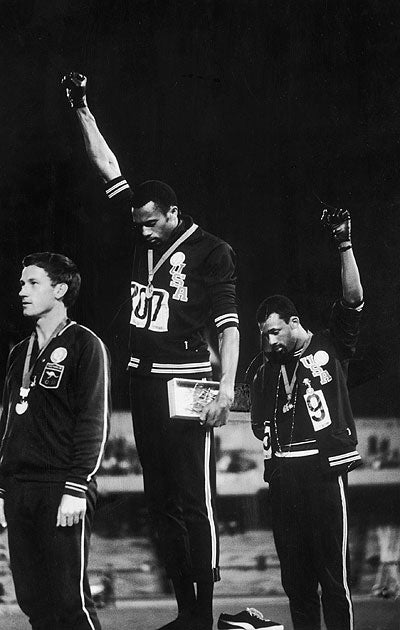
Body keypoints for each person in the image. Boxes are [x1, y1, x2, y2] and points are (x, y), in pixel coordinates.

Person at [62, 73, 240, 630]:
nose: (140, 232)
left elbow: (229, 327)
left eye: (149, 224)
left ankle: (205, 616)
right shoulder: (139, 221)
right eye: (135, 223)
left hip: (191, 381)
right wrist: (82, 107)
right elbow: (107, 165)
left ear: (171, 214)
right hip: (142, 380)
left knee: (195, 499)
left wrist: (228, 390)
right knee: (159, 499)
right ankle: (186, 612)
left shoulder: (212, 253)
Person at [250, 208, 363, 630]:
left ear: (294, 323)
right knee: (296, 584)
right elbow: (254, 414)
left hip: (322, 469)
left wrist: (344, 244)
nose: (269, 340)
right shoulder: (265, 369)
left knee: (332, 580)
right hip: (283, 475)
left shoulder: (330, 347)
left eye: (275, 331)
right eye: (263, 334)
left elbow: (353, 301)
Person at [0, 252, 111, 630]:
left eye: (33, 283)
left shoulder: (86, 345)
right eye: (21, 284)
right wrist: (2, 492)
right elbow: (6, 427)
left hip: (62, 486)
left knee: (70, 601)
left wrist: (77, 486)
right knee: (33, 600)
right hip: (18, 489)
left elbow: (94, 421)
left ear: (60, 289)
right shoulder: (19, 354)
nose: (22, 291)